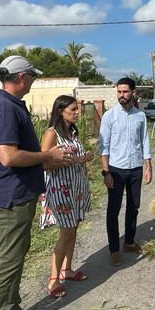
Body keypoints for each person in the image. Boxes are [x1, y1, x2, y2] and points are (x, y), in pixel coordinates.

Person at [0, 55, 71, 310]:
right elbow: (8, 157)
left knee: (17, 255)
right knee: (7, 261)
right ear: (20, 78)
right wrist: (47, 157)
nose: (32, 82)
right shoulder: (4, 108)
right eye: (31, 76)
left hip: (20, 193)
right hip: (10, 195)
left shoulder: (10, 105)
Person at [40, 94, 95, 297]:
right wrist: (75, 160)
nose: (77, 112)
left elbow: (74, 156)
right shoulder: (51, 133)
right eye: (73, 109)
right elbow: (44, 163)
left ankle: (67, 269)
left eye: (77, 108)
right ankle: (53, 280)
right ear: (60, 111)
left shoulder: (72, 133)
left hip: (76, 188)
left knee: (74, 230)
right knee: (66, 233)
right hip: (60, 189)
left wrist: (84, 158)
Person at [99, 77, 153, 265]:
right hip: (116, 169)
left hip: (135, 169)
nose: (121, 95)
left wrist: (148, 166)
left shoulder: (140, 116)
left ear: (133, 93)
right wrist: (106, 173)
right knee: (113, 209)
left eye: (125, 92)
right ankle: (114, 249)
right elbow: (103, 146)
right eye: (119, 92)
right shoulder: (109, 116)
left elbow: (145, 141)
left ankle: (129, 241)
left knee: (134, 206)